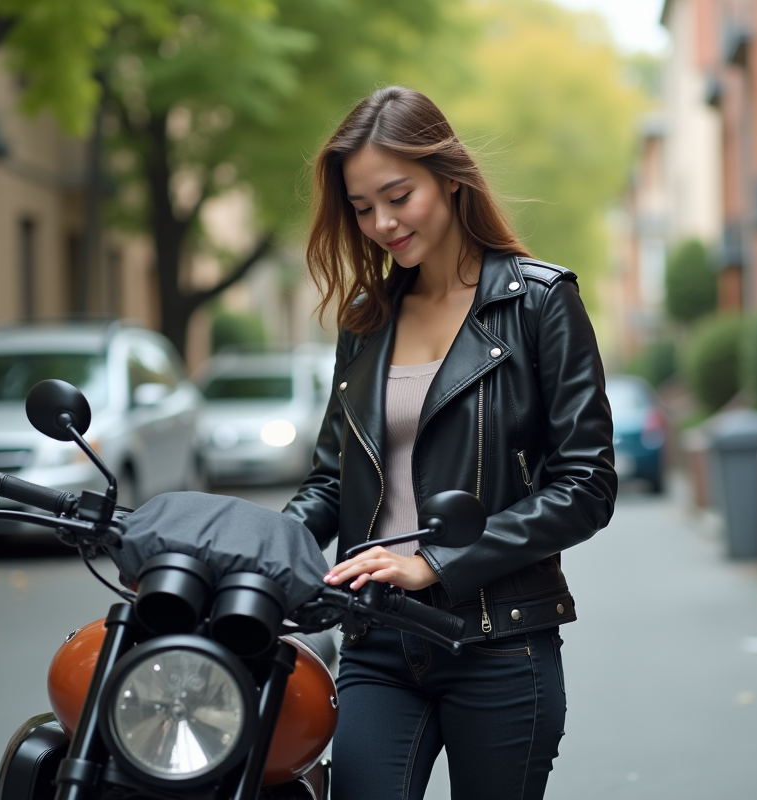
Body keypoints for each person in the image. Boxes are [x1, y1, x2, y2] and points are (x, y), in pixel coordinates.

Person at [282, 86, 616, 800]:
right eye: (362, 207)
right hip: (375, 638)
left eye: (398, 196)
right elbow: (332, 481)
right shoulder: (367, 321)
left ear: (450, 176)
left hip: (500, 639)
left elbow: (587, 487)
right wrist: (252, 552)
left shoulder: (539, 303)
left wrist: (436, 562)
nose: (381, 223)